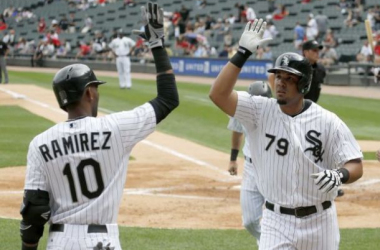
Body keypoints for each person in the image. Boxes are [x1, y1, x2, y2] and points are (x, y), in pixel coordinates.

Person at [19, 3, 179, 250]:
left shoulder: (39, 143)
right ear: (89, 93)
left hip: (60, 241)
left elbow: (34, 210)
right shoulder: (116, 128)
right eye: (96, 87)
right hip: (102, 242)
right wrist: (157, 44)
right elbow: (168, 98)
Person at [209, 19, 363, 249]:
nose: (280, 83)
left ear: (303, 85)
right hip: (275, 221)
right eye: (279, 77)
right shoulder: (259, 110)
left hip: (321, 222)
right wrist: (242, 53)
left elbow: (356, 165)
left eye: (289, 79)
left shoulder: (328, 121)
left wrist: (339, 175)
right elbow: (218, 95)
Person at [227, 81, 272, 244]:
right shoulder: (243, 111)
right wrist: (233, 159)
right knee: (249, 221)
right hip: (251, 168)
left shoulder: (279, 114)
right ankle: (268, 241)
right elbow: (237, 132)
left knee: (276, 216)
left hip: (274, 168)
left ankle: (270, 245)